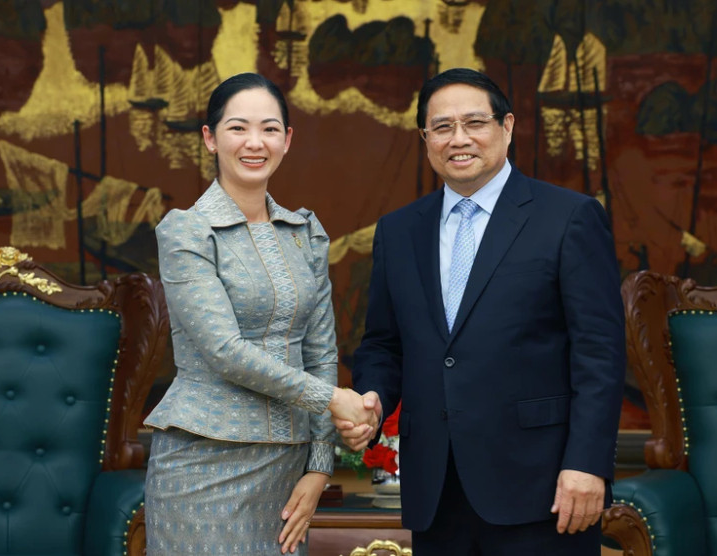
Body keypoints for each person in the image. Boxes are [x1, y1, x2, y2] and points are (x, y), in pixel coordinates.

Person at [334, 68, 625, 555]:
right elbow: (384, 343)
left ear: (506, 127)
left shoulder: (568, 217)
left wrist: (588, 464)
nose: (459, 139)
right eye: (442, 127)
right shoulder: (399, 230)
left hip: (544, 487)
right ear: (426, 138)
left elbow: (600, 353)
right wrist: (372, 398)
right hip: (436, 490)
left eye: (475, 123)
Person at [144, 72, 376, 556]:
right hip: (203, 464)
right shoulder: (186, 231)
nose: (255, 143)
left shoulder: (305, 232)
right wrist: (333, 400)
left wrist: (317, 467)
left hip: (287, 471)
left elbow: (320, 349)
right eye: (237, 128)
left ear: (287, 141)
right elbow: (224, 351)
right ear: (210, 138)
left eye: (270, 129)